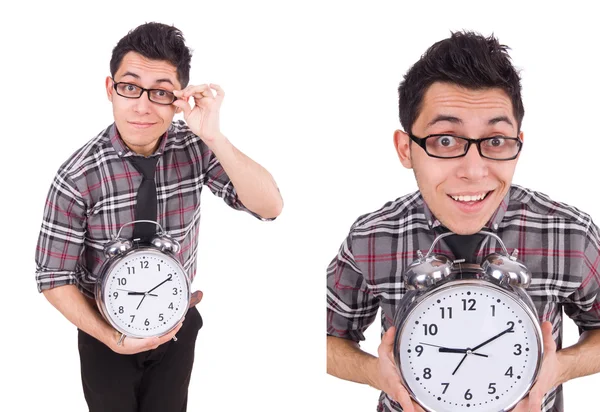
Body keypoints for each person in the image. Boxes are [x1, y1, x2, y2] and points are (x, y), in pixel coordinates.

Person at [326, 31, 600, 412]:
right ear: (406, 149)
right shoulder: (371, 237)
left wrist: (559, 368)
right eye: (445, 141)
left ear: (518, 143)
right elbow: (322, 337)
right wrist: (376, 373)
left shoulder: (569, 233)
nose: (474, 171)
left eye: (495, 141)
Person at [35, 22, 282, 412]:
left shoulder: (194, 147)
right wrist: (111, 338)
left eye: (161, 92)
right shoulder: (77, 176)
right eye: (130, 87)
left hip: (176, 323)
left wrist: (214, 135)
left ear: (178, 99)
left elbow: (269, 206)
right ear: (109, 89)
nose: (142, 105)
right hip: (106, 333)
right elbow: (53, 278)